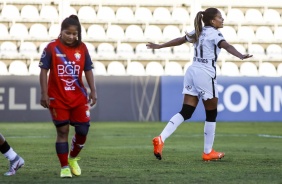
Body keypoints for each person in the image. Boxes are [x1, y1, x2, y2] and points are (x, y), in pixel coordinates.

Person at [146, 8, 252, 161]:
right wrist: (240, 55)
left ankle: (161, 138)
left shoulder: (198, 31)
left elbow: (181, 40)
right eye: (219, 17)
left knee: (186, 111)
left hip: (192, 70)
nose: (222, 20)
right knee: (211, 112)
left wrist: (160, 46)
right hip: (205, 72)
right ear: (212, 21)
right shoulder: (215, 34)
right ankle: (208, 152)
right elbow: (226, 46)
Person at [39, 15, 97, 178]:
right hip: (58, 98)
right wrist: (44, 93)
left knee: (83, 130)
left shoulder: (82, 48)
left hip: (78, 97)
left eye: (75, 34)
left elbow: (88, 70)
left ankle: (72, 158)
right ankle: (64, 167)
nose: (71, 37)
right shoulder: (52, 47)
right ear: (61, 31)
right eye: (68, 33)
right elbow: (43, 70)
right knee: (62, 131)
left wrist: (93, 90)